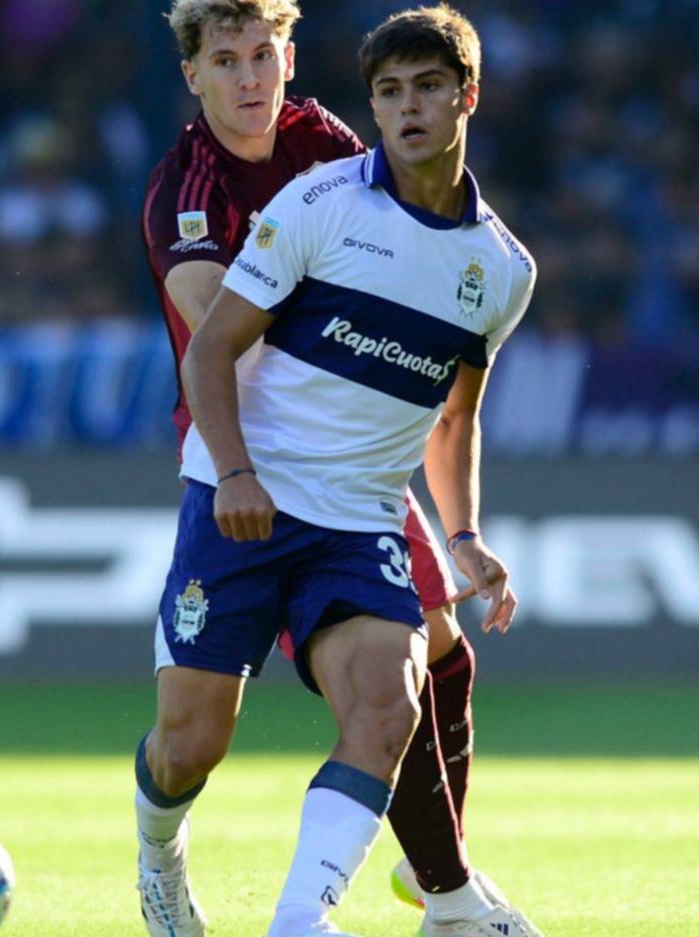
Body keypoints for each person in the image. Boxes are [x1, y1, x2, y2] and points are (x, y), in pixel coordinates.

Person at [136, 3, 540, 934]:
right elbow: (220, 342)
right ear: (193, 76)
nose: (250, 79)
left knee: (423, 660)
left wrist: (466, 531)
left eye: (265, 56)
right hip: (246, 460)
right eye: (226, 60)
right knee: (196, 740)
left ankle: (432, 895)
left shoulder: (334, 150)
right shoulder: (194, 190)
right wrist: (241, 460)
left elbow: (448, 389)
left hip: (358, 481)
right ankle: (160, 850)